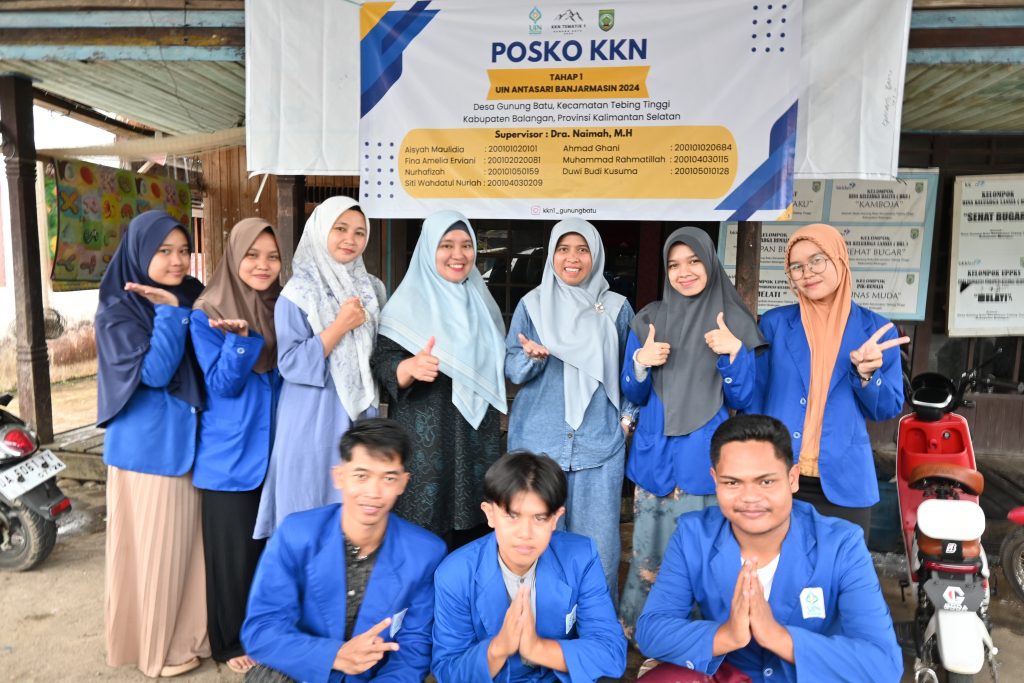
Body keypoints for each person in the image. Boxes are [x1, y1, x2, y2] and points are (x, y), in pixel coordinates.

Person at [635, 414, 903, 683]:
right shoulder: (694, 535)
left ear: (793, 478)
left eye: (766, 481)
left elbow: (884, 665)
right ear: (715, 480)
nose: (750, 497)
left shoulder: (841, 545)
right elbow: (652, 630)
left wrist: (777, 636)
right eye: (732, 482)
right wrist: (728, 635)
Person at [618, 227, 766, 637]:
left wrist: (733, 354)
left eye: (694, 261)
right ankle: (643, 634)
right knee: (648, 556)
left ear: (711, 262)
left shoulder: (734, 320)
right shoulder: (649, 318)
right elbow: (633, 390)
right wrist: (641, 363)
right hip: (655, 454)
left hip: (705, 458)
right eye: (674, 264)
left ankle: (700, 641)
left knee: (704, 558)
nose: (684, 272)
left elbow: (747, 397)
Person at [241, 418, 447, 683]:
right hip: (299, 669)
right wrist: (334, 655)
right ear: (339, 476)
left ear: (402, 483)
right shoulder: (297, 533)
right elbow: (262, 631)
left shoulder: (425, 553)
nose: (373, 492)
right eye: (361, 475)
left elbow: (412, 651)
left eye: (388, 478)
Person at [95, 210, 210, 677]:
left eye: (183, 250)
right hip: (149, 451)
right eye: (164, 251)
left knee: (185, 552)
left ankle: (186, 638)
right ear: (141, 251)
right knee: (155, 554)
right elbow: (157, 373)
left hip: (186, 443)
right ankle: (156, 652)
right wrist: (169, 312)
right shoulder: (119, 311)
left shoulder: (193, 296)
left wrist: (182, 308)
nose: (177, 260)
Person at [505, 217, 637, 595]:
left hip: (599, 445)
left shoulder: (616, 308)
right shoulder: (532, 305)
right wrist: (532, 357)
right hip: (538, 447)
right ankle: (537, 634)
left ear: (595, 255)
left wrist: (626, 423)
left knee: (598, 550)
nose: (572, 258)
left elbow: (631, 372)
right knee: (536, 548)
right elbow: (513, 368)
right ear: (551, 255)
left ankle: (596, 639)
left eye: (582, 249)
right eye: (563, 249)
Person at [752, 223, 909, 537]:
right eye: (796, 266)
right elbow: (753, 401)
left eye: (817, 260)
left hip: (845, 482)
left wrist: (868, 376)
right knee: (775, 579)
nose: (807, 272)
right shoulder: (775, 324)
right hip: (778, 476)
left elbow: (887, 408)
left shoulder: (877, 331)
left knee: (837, 582)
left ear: (840, 259)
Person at [370, 210, 506, 544]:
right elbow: (382, 360)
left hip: (476, 439)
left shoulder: (484, 306)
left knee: (476, 528)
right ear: (428, 249)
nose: (458, 255)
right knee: (425, 532)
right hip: (427, 437)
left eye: (466, 245)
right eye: (446, 245)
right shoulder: (404, 305)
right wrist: (408, 369)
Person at [254, 196, 386, 539]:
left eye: (359, 232)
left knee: (357, 511)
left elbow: (379, 352)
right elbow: (291, 364)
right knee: (311, 503)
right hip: (314, 414)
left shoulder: (372, 289)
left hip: (360, 415)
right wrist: (340, 325)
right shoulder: (299, 292)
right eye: (340, 229)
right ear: (320, 231)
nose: (350, 239)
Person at [432, 452, 627, 683]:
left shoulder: (580, 557)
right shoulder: (454, 574)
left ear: (556, 518)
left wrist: (537, 649)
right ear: (490, 514)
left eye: (540, 518)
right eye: (513, 516)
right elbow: (448, 670)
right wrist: (498, 648)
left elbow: (611, 652)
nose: (525, 534)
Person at [191, 218, 283, 673]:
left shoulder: (280, 306)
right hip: (229, 456)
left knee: (265, 552)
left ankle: (264, 629)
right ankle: (228, 642)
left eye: (272, 256)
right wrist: (240, 343)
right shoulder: (206, 311)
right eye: (252, 255)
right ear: (233, 257)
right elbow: (222, 386)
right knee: (231, 556)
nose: (263, 266)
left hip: (275, 451)